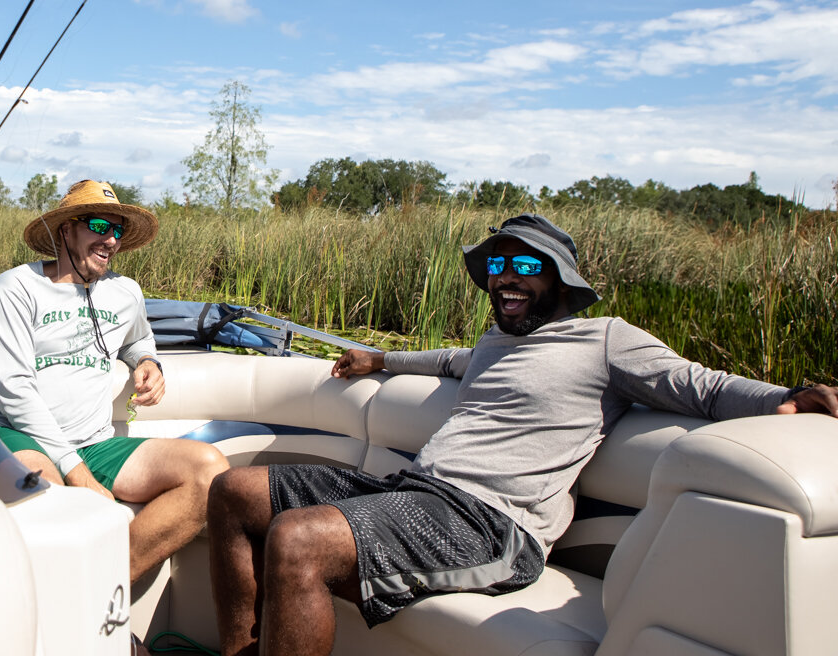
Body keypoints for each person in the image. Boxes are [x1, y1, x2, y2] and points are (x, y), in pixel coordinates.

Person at [207, 213, 838, 656]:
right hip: (419, 490)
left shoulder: (607, 339)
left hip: (495, 524)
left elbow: (696, 385)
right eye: (499, 266)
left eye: (526, 266)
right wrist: (383, 359)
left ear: (558, 279)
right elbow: (450, 359)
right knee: (235, 491)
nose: (507, 277)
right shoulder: (494, 343)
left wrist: (789, 398)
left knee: (297, 538)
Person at [0, 179, 229, 586]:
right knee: (54, 497)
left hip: (93, 443)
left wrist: (147, 361)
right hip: (17, 435)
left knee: (208, 472)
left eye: (118, 230)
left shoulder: (125, 292)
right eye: (98, 224)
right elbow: (14, 391)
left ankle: (102, 593)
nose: (110, 239)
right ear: (66, 229)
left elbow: (138, 338)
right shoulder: (15, 289)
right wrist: (79, 475)